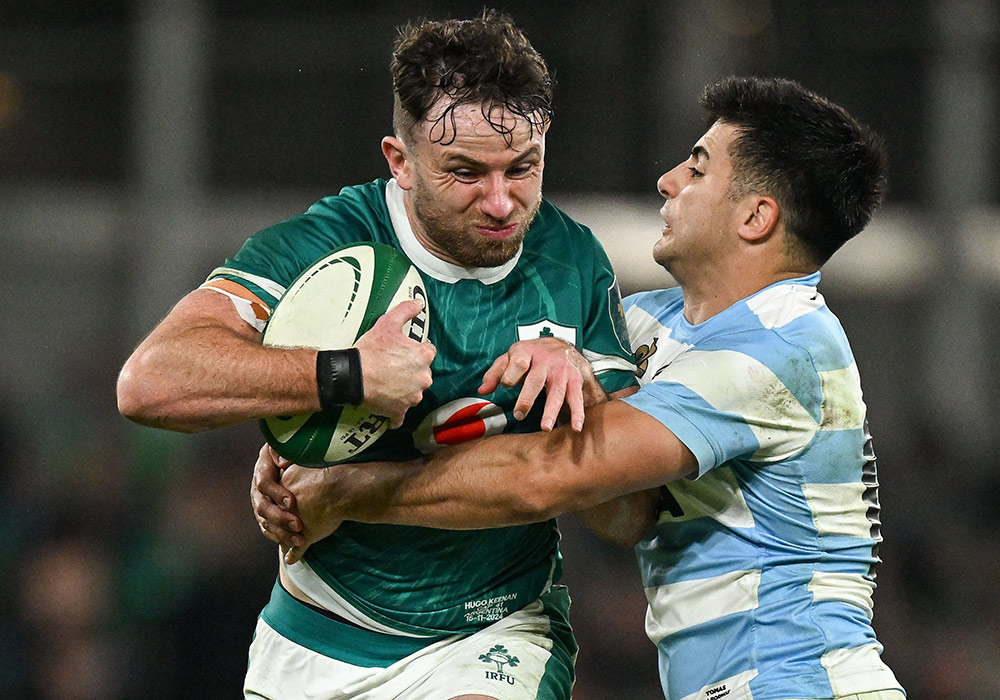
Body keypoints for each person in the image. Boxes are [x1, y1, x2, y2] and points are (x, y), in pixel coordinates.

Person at [255, 76, 906, 700]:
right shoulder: (653, 323)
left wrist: (344, 490)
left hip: (802, 683)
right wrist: (311, 444)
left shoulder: (780, 349)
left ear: (757, 217)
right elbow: (621, 511)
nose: (668, 180)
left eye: (699, 168)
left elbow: (545, 479)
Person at [117, 10, 639, 699]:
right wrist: (348, 374)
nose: (501, 200)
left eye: (523, 168)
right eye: (465, 171)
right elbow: (150, 384)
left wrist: (588, 397)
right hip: (317, 632)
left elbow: (630, 514)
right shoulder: (329, 243)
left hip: (491, 634)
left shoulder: (571, 260)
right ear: (400, 161)